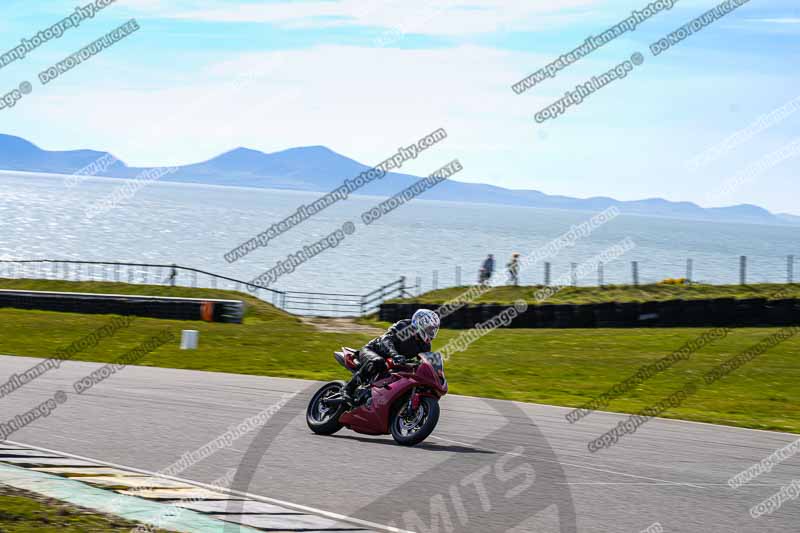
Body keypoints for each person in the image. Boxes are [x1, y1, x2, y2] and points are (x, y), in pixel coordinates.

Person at [341, 309, 440, 404]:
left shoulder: (425, 345)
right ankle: (348, 389)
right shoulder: (405, 326)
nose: (431, 332)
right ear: (420, 323)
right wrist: (394, 354)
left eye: (433, 330)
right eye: (429, 329)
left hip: (393, 361)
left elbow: (424, 362)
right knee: (378, 361)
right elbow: (387, 340)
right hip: (372, 350)